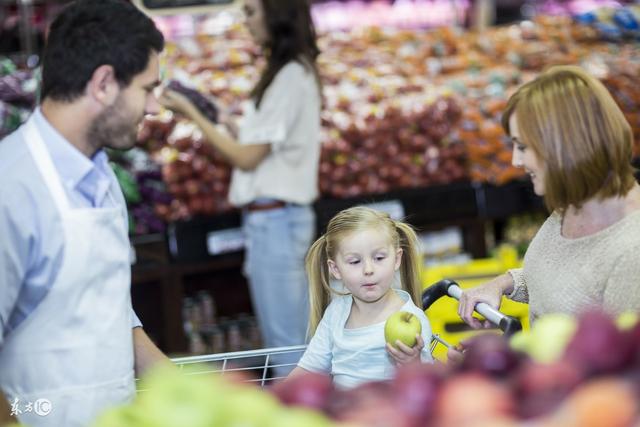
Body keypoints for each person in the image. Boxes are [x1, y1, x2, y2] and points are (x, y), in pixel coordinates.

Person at [0, 1, 169, 425]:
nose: (154, 108)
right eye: (148, 88)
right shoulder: (12, 187)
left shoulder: (101, 176)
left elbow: (105, 309)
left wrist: (183, 388)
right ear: (104, 84)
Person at [159, 0, 322, 376]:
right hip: (275, 220)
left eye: (250, 11)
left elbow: (248, 158)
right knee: (290, 338)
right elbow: (257, 143)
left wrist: (196, 115)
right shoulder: (286, 72)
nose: (244, 20)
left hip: (277, 221)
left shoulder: (291, 76)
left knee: (287, 347)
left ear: (276, 13)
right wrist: (217, 114)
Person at [458, 65, 640, 330]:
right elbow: (564, 282)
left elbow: (617, 364)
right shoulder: (574, 201)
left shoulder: (631, 253)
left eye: (522, 147)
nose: (516, 161)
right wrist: (502, 284)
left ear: (563, 145)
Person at [288, 206, 434, 389]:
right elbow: (309, 369)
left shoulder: (413, 318)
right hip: (343, 413)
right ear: (335, 269)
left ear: (396, 260)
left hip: (391, 413)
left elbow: (427, 385)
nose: (368, 269)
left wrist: (411, 363)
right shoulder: (336, 312)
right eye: (355, 262)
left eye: (379, 258)